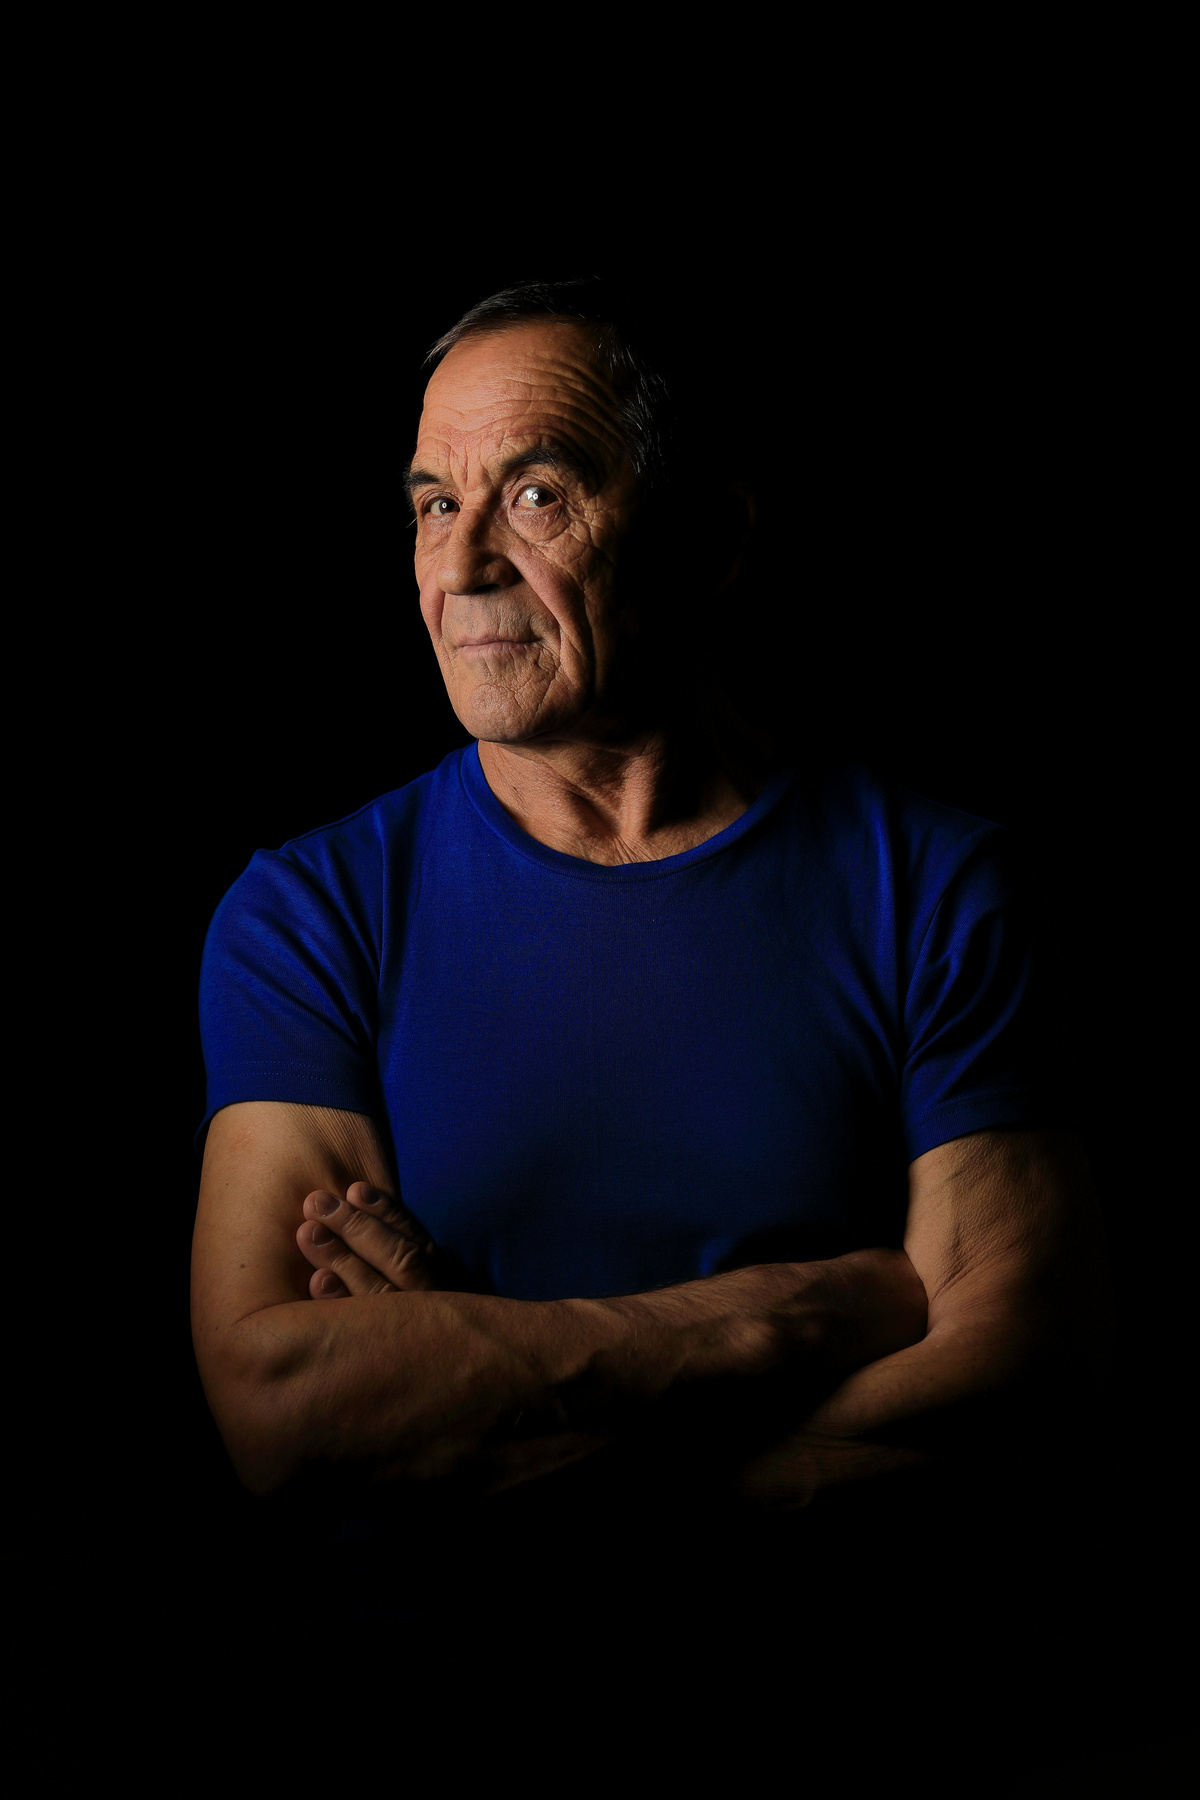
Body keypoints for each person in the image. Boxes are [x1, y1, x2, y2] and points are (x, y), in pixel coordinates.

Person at [191, 281, 1106, 1721]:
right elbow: (282, 1407)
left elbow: (1008, 1356)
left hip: (848, 1721)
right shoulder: (309, 913)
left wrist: (477, 1374)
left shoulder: (939, 888)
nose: (464, 563)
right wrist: (784, 1319)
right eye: (434, 504)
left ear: (709, 538)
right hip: (423, 1731)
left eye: (537, 494)